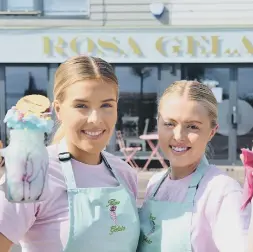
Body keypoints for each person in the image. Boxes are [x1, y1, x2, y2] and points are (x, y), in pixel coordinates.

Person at [0, 56, 140, 252]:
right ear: (58, 109)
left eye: (106, 105)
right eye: (81, 106)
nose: (95, 119)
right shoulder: (32, 173)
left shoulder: (125, 174)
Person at [137, 80, 251, 252]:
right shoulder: (155, 184)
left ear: (212, 132)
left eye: (192, 126)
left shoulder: (221, 190)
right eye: (169, 124)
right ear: (158, 125)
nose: (178, 136)